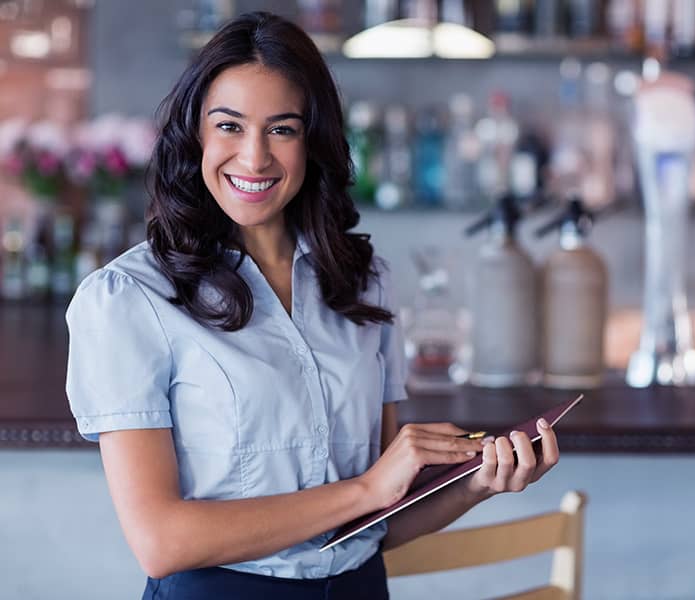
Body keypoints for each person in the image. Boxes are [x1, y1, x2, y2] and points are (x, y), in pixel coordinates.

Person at [65, 11, 560, 600]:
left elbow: (373, 524)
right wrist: (368, 490)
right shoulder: (131, 298)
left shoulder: (363, 281)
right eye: (229, 126)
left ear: (313, 141)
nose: (254, 159)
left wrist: (477, 483)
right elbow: (161, 541)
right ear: (194, 133)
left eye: (282, 129)